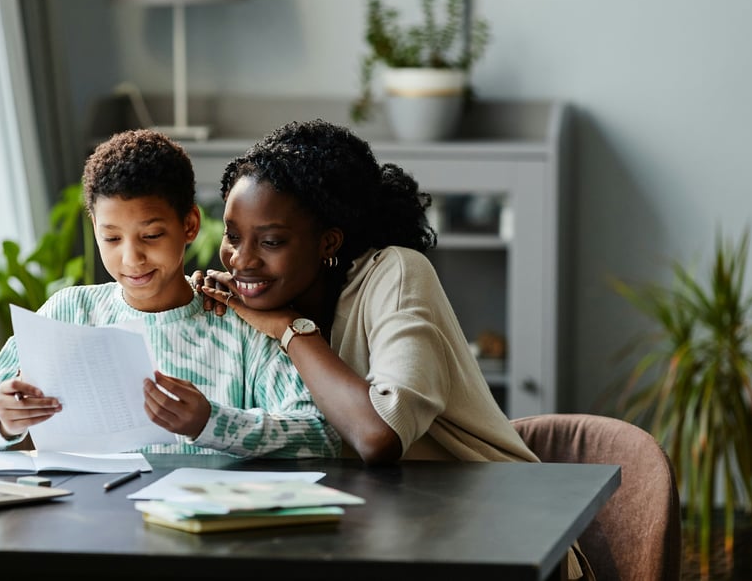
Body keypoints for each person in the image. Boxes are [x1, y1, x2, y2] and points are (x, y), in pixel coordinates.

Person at [0, 129, 340, 460]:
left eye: (151, 235)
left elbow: (320, 437)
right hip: (87, 527)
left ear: (189, 224)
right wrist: (4, 420)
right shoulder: (70, 312)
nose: (132, 259)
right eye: (111, 238)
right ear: (94, 225)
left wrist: (211, 423)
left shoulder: (237, 322)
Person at [196, 119, 538, 465]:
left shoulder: (396, 272)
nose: (240, 259)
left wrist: (289, 328)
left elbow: (378, 436)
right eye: (233, 236)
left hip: (492, 502)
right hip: (378, 508)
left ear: (328, 242)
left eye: (270, 242)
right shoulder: (266, 301)